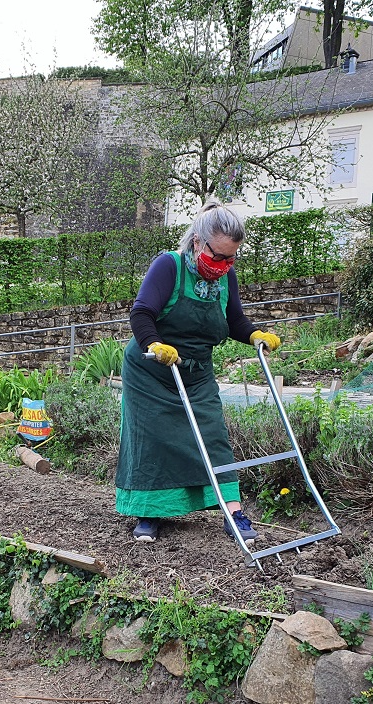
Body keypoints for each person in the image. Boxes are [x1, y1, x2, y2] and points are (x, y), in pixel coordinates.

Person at [115, 201, 281, 543]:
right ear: (197, 242)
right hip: (151, 371)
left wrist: (254, 335)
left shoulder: (225, 278)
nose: (223, 265)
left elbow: (233, 320)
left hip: (196, 371)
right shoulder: (169, 266)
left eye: (230, 258)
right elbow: (142, 312)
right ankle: (149, 514)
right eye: (217, 256)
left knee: (213, 435)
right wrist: (155, 344)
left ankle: (233, 513)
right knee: (153, 441)